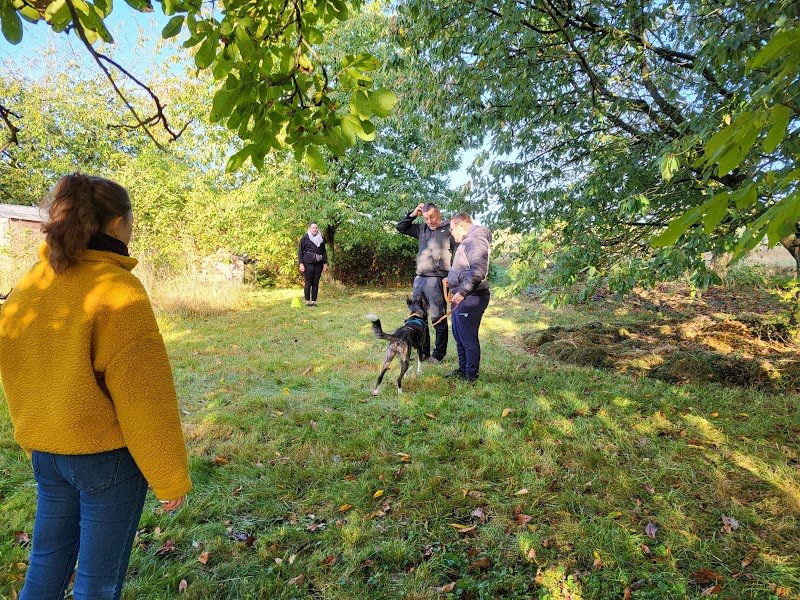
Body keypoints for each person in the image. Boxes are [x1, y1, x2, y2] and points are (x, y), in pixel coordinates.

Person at [0, 173, 192, 600]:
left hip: (48, 454)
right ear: (116, 225)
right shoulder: (117, 290)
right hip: (105, 461)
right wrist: (170, 475)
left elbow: (16, 367)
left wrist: (34, 438)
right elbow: (145, 396)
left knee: (46, 562)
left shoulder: (30, 284)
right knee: (96, 583)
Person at [396, 202, 455, 363]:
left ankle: (438, 355)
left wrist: (453, 276)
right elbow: (400, 227)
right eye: (426, 218)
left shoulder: (450, 229)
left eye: (432, 217)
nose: (429, 221)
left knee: (438, 318)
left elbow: (461, 251)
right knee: (419, 317)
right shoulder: (421, 228)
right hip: (419, 278)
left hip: (437, 280)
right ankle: (423, 352)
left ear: (439, 214)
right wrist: (413, 214)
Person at [446, 213, 492, 382]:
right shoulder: (468, 241)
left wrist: (462, 291)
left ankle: (471, 376)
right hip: (462, 295)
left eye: (451, 228)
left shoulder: (476, 240)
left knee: (468, 337)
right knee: (459, 335)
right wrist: (451, 278)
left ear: (460, 225)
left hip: (471, 296)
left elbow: (478, 271)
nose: (451, 232)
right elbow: (465, 269)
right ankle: (463, 370)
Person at [298, 222, 328, 307]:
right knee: (308, 282)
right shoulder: (305, 238)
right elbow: (300, 251)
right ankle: (308, 301)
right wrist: (301, 263)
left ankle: (314, 301)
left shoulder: (321, 239)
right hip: (308, 262)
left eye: (316, 228)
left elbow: (324, 252)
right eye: (313, 228)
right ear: (310, 228)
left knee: (316, 283)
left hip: (318, 263)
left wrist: (325, 263)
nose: (315, 229)